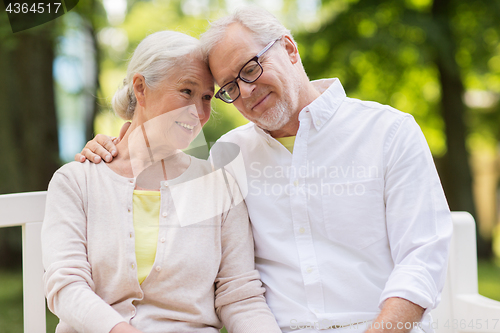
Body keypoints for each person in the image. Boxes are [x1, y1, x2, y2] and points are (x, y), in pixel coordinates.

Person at [78, 7, 453, 333]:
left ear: (289, 49)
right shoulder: (227, 155)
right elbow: (174, 257)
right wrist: (115, 147)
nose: (245, 92)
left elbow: (422, 259)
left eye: (251, 69)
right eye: (227, 87)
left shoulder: (388, 132)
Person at [42, 30, 282, 333]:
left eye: (207, 97)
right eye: (186, 91)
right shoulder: (78, 181)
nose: (198, 111)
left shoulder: (217, 186)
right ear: (141, 88)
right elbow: (66, 284)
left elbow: (240, 297)